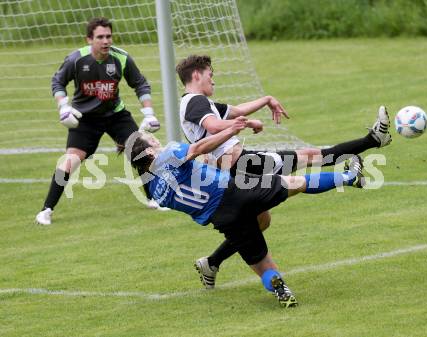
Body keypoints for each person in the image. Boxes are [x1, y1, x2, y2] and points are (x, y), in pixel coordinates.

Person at [175, 54, 392, 289]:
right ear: (196, 75)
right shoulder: (195, 102)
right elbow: (213, 126)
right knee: (310, 157)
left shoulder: (198, 104)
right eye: (210, 75)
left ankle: (212, 262)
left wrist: (266, 99)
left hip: (235, 171)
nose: (213, 80)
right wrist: (246, 124)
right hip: (244, 164)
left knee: (261, 221)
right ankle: (372, 142)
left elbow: (236, 110)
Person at [123, 123, 366, 308]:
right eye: (152, 140)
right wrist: (232, 129)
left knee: (263, 252)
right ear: (149, 151)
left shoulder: (153, 190)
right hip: (234, 192)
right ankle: (349, 177)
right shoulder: (168, 155)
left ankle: (281, 290)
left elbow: (188, 178)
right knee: (296, 182)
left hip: (221, 218)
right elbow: (197, 148)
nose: (157, 140)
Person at [35, 17, 166, 226]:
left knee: (142, 150)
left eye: (108, 36)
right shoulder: (76, 60)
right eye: (100, 37)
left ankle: (154, 199)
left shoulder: (121, 58)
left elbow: (140, 83)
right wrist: (64, 106)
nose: (106, 41)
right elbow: (57, 81)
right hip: (85, 119)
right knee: (70, 161)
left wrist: (149, 113)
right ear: (89, 39)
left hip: (115, 114)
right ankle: (45, 211)